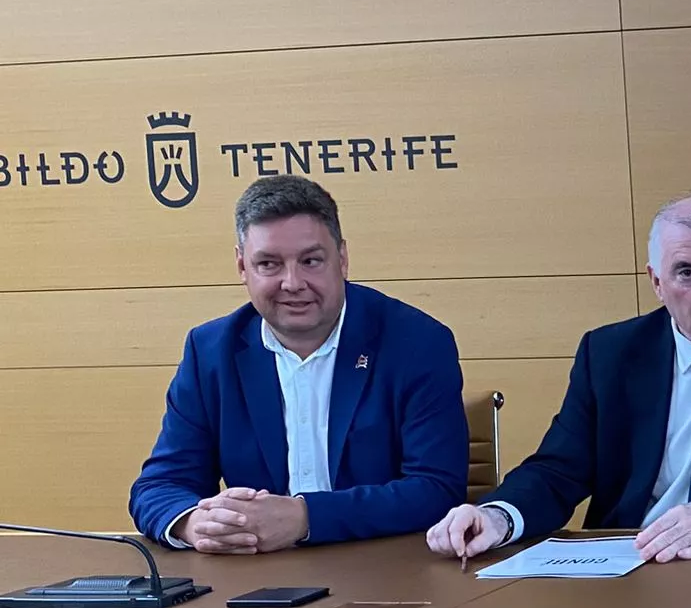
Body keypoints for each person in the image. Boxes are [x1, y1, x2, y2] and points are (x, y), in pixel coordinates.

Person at [426, 193, 691, 564]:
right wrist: (500, 516)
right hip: (633, 563)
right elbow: (559, 470)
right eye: (687, 272)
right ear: (657, 281)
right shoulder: (611, 354)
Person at [128, 175, 468, 552]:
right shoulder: (210, 352)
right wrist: (195, 523)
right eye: (269, 264)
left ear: (342, 259)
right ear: (242, 267)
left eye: (310, 261)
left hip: (387, 568)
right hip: (257, 574)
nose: (292, 282)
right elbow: (159, 487)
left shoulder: (417, 343)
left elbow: (437, 489)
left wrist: (306, 518)